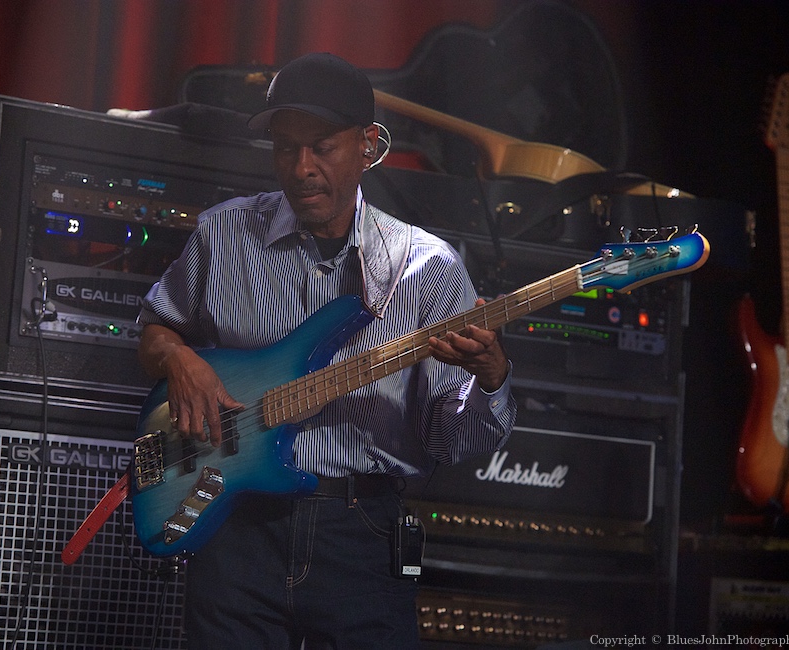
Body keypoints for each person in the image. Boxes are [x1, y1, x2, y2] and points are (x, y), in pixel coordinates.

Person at [136, 52, 515, 650]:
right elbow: (156, 329)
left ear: (369, 145)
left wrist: (490, 378)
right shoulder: (222, 235)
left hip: (360, 532)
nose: (301, 167)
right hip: (238, 527)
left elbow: (451, 441)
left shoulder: (426, 268)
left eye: (322, 147)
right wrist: (180, 361)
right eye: (286, 149)